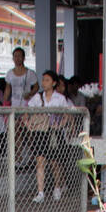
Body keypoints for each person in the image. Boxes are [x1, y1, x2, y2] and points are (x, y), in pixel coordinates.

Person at [26, 69, 69, 203]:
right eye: (43, 80)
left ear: (54, 83)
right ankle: (40, 192)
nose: (44, 83)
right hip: (40, 132)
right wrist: (28, 124)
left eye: (47, 80)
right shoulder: (37, 97)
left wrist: (60, 125)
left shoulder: (60, 98)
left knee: (54, 162)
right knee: (40, 161)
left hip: (54, 132)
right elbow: (26, 111)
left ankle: (57, 187)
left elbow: (67, 115)